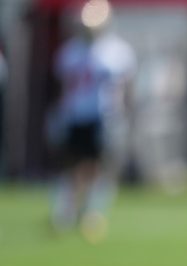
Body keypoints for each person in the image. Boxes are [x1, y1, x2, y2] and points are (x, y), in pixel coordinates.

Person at [47, 0, 135, 243]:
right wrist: (58, 114)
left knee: (100, 166)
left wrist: (126, 114)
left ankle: (92, 213)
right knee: (71, 166)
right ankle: (65, 210)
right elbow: (62, 88)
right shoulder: (70, 51)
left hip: (104, 116)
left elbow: (126, 87)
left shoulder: (117, 51)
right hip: (75, 115)